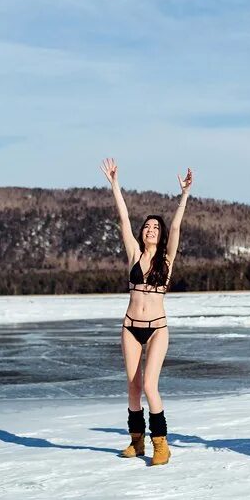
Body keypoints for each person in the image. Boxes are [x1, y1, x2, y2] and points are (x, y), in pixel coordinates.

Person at [101, 158, 192, 467]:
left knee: (150, 386)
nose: (150, 229)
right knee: (133, 387)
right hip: (130, 326)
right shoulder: (134, 255)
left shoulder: (166, 260)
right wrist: (114, 184)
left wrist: (184, 196)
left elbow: (177, 225)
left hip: (157, 329)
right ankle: (136, 442)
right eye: (147, 227)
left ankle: (161, 445)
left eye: (155, 227)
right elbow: (123, 219)